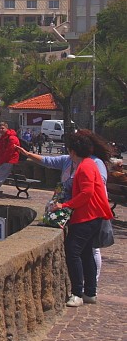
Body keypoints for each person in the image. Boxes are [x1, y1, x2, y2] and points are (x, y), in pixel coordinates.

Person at [54, 131, 114, 307]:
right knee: (86, 252)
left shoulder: (85, 166)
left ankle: (77, 293)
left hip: (87, 215)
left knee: (73, 252)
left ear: (72, 152)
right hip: (92, 215)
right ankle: (90, 292)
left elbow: (87, 193)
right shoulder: (90, 163)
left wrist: (65, 206)